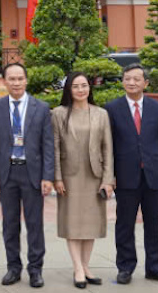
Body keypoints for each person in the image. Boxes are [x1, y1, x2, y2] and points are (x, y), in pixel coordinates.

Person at [106, 63, 158, 285]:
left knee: (154, 224)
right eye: (127, 78)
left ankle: (155, 267)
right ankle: (125, 267)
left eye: (136, 79)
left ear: (145, 83)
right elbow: (108, 146)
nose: (131, 83)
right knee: (125, 224)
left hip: (154, 175)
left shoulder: (157, 108)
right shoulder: (111, 108)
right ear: (122, 81)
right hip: (125, 176)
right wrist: (110, 176)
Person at [0, 63, 54, 288]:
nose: (16, 83)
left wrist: (48, 176)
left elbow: (47, 144)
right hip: (7, 173)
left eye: (19, 79)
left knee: (34, 224)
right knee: (10, 223)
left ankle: (35, 269)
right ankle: (13, 268)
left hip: (32, 172)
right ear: (4, 81)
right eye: (11, 79)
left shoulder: (41, 107)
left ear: (26, 80)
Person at [51, 72, 114, 289]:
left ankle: (86, 266)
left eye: (84, 85)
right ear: (69, 89)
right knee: (72, 222)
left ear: (90, 88)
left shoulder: (101, 114)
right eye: (76, 86)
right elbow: (55, 148)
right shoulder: (58, 114)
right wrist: (57, 177)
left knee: (91, 223)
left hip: (94, 175)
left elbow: (108, 149)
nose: (81, 90)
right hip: (69, 176)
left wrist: (108, 179)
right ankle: (77, 267)